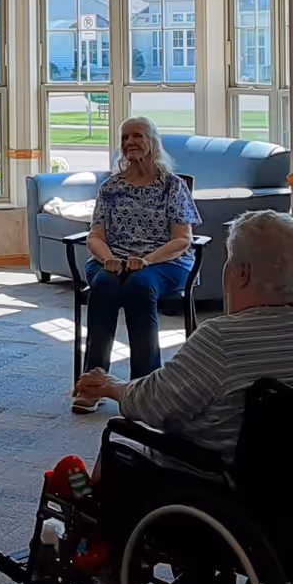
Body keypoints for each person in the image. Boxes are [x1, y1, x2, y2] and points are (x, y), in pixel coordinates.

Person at [72, 210, 293, 456]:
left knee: (113, 452)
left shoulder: (220, 338)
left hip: (213, 475)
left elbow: (156, 406)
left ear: (242, 273)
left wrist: (111, 386)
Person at [69, 116, 201, 412]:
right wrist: (108, 258)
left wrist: (146, 260)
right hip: (113, 259)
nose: (130, 142)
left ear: (153, 142)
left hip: (164, 261)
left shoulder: (172, 186)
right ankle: (93, 382)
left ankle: (145, 387)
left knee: (139, 287)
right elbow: (96, 236)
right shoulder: (111, 187)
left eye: (137, 136)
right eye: (125, 138)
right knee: (103, 285)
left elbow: (182, 240)